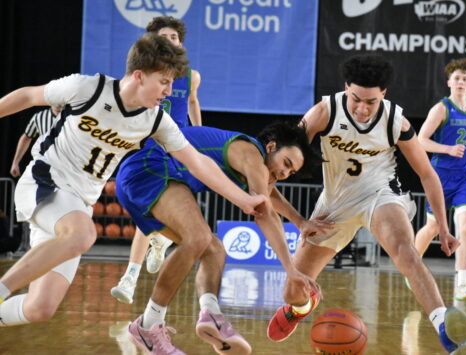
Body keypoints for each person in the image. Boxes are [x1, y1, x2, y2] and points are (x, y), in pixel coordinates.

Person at [0, 34, 265, 335]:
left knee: (40, 307)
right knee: (84, 234)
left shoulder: (154, 121)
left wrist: (243, 199)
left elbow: (197, 162)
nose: (169, 90)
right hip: (46, 181)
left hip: (77, 203)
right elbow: (28, 96)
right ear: (139, 75)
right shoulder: (88, 88)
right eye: (164, 82)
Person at [266, 54, 466, 354]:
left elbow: (427, 174)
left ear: (384, 95)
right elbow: (277, 168)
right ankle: (300, 308)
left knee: (406, 252)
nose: (362, 108)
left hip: (381, 194)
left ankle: (445, 327)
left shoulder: (395, 120)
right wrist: (300, 221)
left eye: (371, 102)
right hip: (335, 204)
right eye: (356, 99)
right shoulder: (325, 111)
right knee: (292, 290)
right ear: (346, 87)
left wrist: (442, 226)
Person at [115, 123, 326, 354]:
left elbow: (271, 197)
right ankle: (148, 326)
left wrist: (300, 221)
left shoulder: (255, 168)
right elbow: (266, 214)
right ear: (271, 146)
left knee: (213, 248)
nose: (285, 174)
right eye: (286, 163)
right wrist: (291, 271)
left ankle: (211, 313)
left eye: (291, 172)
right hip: (150, 167)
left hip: (145, 179)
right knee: (198, 237)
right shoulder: (251, 154)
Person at [111, 15, 203, 302]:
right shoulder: (141, 72)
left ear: (181, 43)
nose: (169, 41)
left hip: (177, 145)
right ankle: (132, 275)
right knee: (146, 207)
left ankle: (155, 248)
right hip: (148, 141)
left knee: (171, 206)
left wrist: (198, 135)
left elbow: (191, 102)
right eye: (163, 37)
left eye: (173, 37)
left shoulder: (192, 76)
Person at [414, 58, 466, 301]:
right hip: (439, 175)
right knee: (432, 227)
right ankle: (412, 269)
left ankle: (462, 284)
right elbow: (421, 140)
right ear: (449, 82)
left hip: (464, 177)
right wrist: (447, 149)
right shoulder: (441, 108)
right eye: (457, 78)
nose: (460, 82)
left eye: (465, 78)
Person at [10, 104, 64, 177]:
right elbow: (26, 138)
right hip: (46, 165)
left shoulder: (74, 116)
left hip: (69, 164)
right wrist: (15, 162)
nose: (58, 103)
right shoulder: (39, 117)